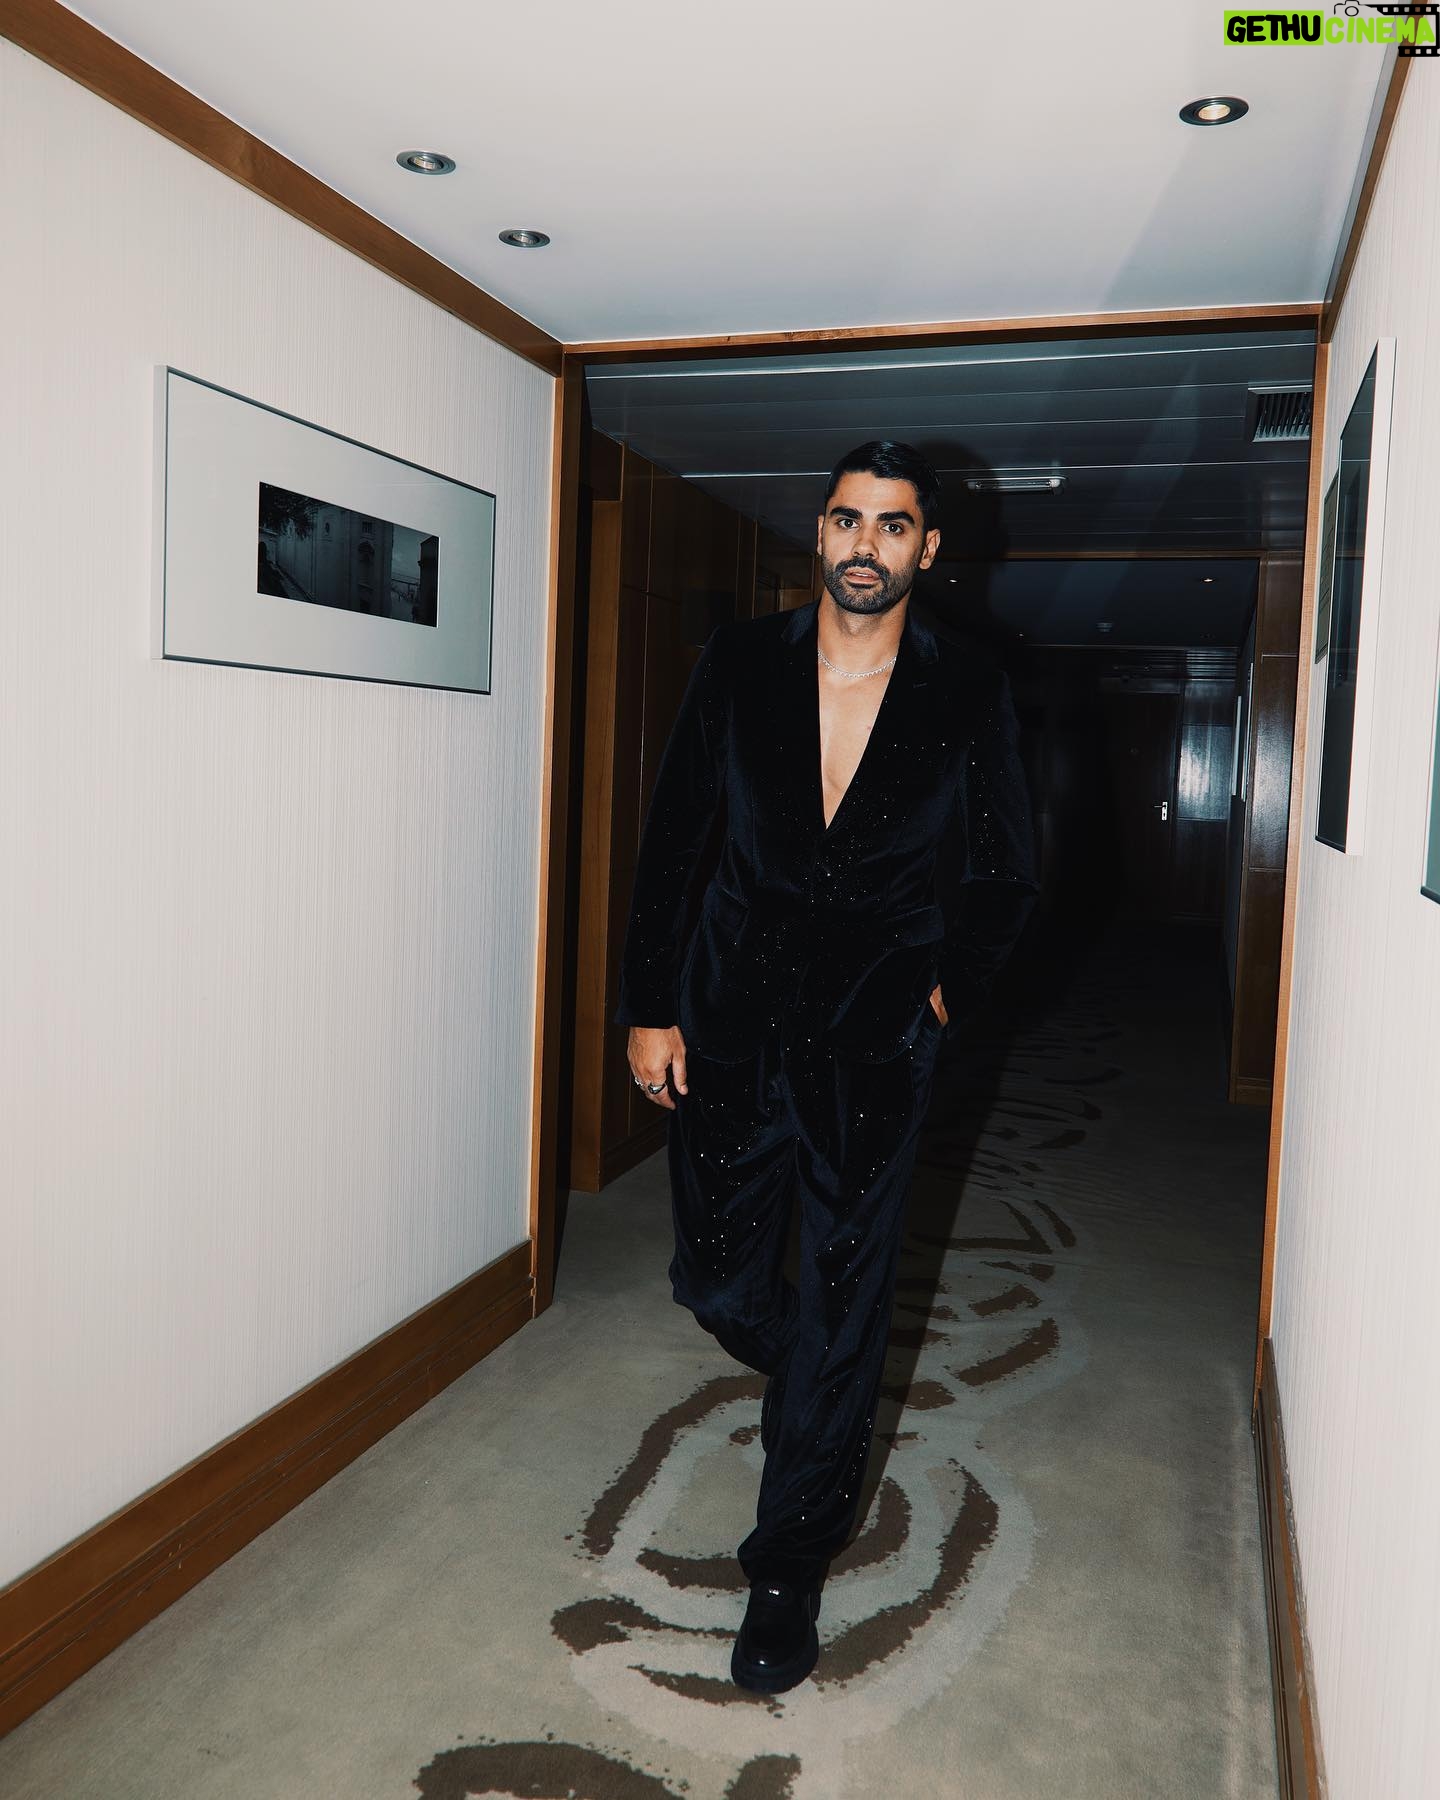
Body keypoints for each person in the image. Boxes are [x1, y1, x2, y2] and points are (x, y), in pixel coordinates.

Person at [614, 440, 1038, 1694]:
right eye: (849, 520)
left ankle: (787, 1566)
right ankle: (805, 1367)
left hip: (877, 1027)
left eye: (893, 526)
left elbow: (1010, 868)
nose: (867, 545)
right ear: (820, 533)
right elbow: (673, 840)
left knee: (849, 1290)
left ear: (927, 549)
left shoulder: (970, 684)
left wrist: (952, 981)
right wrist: (649, 1007)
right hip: (729, 1011)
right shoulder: (739, 662)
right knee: (719, 1276)